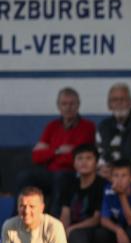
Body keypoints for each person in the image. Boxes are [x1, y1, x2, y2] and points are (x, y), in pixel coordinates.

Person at [14, 87, 95, 217]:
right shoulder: (52, 126)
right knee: (24, 176)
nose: (68, 108)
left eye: (72, 104)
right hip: (50, 172)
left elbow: (79, 158)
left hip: (72, 174)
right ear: (58, 106)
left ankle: (53, 223)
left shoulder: (88, 126)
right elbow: (36, 157)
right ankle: (17, 220)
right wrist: (57, 150)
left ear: (78, 105)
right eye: (64, 104)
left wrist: (50, 152)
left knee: (61, 178)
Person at [60, 144, 106, 243]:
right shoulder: (70, 184)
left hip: (95, 229)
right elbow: (65, 213)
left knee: (77, 234)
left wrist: (72, 228)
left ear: (96, 163)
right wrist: (61, 232)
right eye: (79, 158)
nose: (84, 162)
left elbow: (97, 219)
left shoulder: (102, 184)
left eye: (88, 158)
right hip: (74, 230)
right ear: (74, 163)